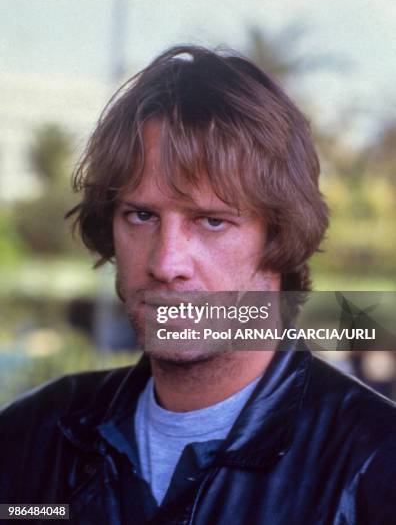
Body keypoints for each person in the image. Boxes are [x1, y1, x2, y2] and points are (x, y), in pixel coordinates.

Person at [1, 45, 395, 524]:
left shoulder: (374, 465)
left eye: (211, 221)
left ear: (281, 235)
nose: (167, 263)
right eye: (141, 215)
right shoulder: (32, 438)